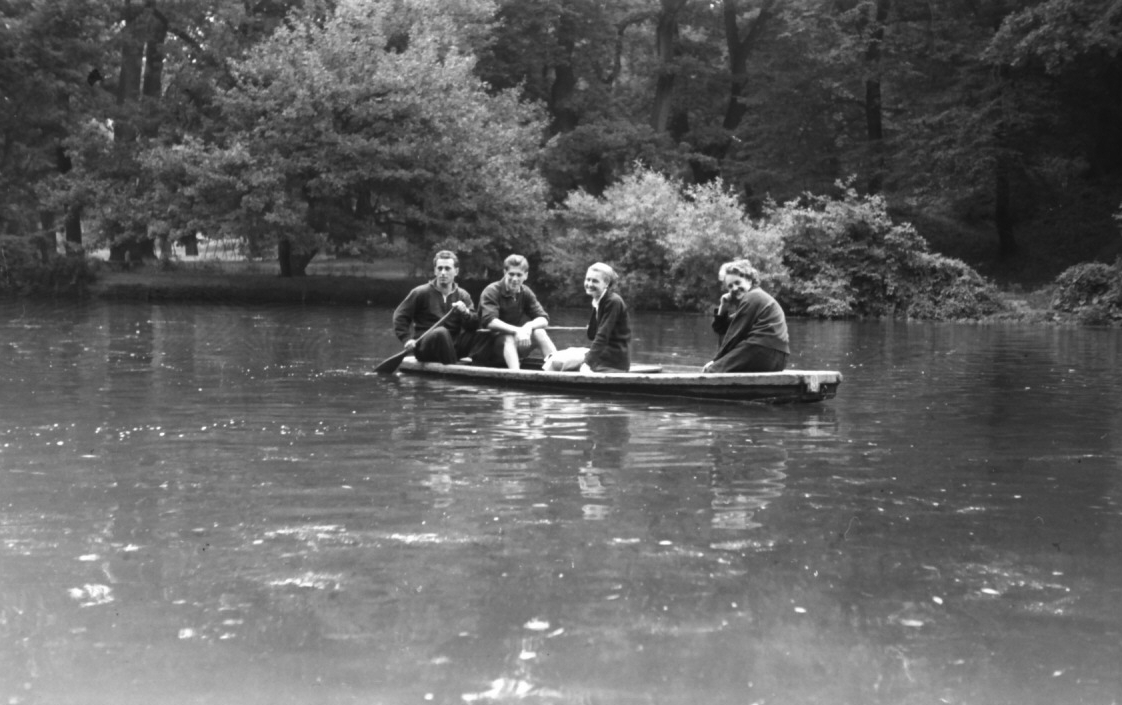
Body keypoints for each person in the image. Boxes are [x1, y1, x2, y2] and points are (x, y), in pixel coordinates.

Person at [469, 254, 557, 369]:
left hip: (514, 347)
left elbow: (544, 319)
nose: (515, 279)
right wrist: (518, 331)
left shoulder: (525, 292)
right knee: (508, 338)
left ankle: (558, 368)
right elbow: (490, 321)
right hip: (487, 350)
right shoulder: (491, 291)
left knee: (539, 332)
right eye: (511, 274)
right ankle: (516, 375)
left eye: (519, 275)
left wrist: (528, 326)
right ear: (505, 272)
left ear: (526, 276)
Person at [702, 259, 789, 373]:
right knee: (720, 368)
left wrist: (716, 361)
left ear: (749, 279)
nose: (734, 288)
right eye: (730, 286)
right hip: (779, 359)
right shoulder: (756, 297)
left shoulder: (752, 298)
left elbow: (734, 336)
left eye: (737, 283)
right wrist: (723, 305)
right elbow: (722, 328)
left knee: (712, 372)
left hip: (762, 351)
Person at [392, 250, 478, 364]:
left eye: (447, 269)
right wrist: (407, 339)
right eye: (440, 268)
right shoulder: (420, 292)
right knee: (441, 332)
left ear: (456, 271)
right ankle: (452, 369)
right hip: (427, 347)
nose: (443, 272)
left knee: (483, 333)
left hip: (453, 347)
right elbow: (400, 317)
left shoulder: (463, 295)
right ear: (435, 271)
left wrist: (465, 313)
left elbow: (473, 324)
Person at [579, 262, 630, 372]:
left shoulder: (613, 302)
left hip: (613, 363)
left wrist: (587, 364)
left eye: (595, 281)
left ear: (606, 283)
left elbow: (602, 336)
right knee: (557, 358)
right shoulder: (598, 300)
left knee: (558, 363)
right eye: (587, 279)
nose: (589, 284)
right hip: (602, 356)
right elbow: (592, 335)